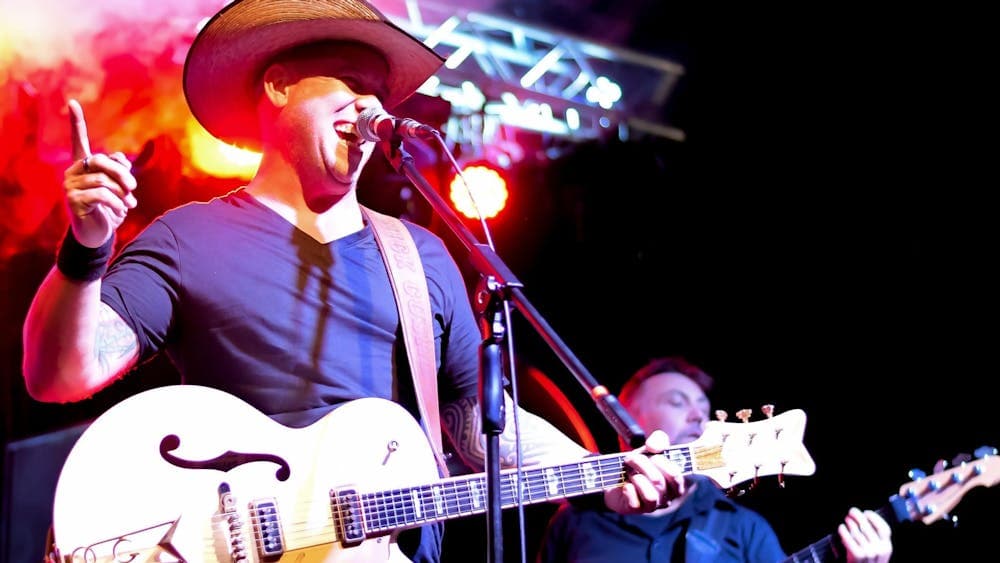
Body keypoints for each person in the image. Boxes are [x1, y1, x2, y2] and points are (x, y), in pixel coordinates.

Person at [20, 1, 684, 561]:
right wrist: (85, 247)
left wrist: (600, 477)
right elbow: (58, 372)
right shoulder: (190, 235)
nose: (370, 106)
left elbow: (476, 418)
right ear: (277, 85)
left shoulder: (418, 253)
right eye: (347, 82)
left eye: (378, 94)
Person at [537, 356, 894, 563]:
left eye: (704, 410)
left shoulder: (745, 527)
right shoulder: (574, 521)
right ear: (625, 418)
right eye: (677, 402)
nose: (697, 417)